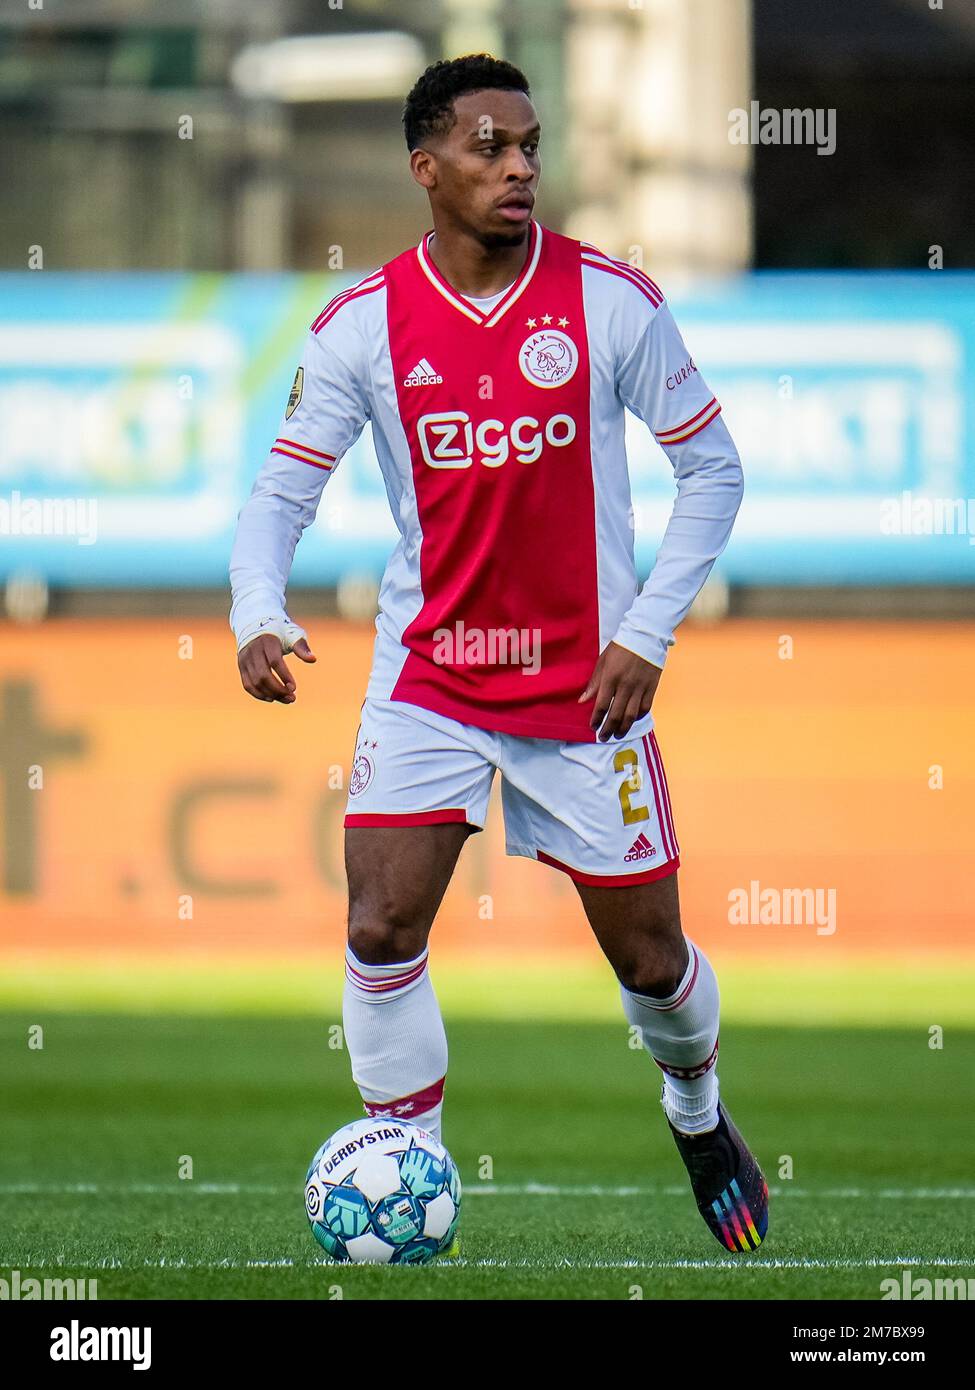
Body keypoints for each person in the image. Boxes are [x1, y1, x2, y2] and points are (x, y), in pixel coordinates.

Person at [230, 54, 767, 1254]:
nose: (520, 166)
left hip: (586, 689)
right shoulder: (362, 326)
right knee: (379, 923)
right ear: (426, 169)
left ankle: (696, 1109)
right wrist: (255, 609)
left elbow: (715, 470)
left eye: (530, 144)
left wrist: (644, 634)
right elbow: (280, 493)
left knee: (652, 956)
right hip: (430, 675)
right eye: (490, 147)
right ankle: (402, 1162)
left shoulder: (609, 302)